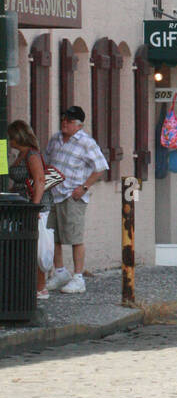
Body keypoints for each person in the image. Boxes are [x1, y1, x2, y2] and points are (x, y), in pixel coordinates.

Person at [44, 106, 109, 296]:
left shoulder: (86, 142)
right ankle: (60, 272)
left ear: (79, 125)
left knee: (75, 237)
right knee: (54, 234)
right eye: (63, 119)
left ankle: (78, 277)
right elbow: (47, 160)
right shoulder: (56, 139)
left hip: (73, 194)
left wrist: (84, 187)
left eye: (69, 121)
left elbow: (100, 167)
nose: (64, 123)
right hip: (54, 192)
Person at [8, 120, 48, 300]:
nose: (8, 140)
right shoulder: (19, 155)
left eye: (10, 137)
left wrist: (35, 207)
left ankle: (40, 287)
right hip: (18, 204)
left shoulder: (31, 154)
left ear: (17, 137)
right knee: (23, 244)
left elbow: (40, 180)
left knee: (36, 246)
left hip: (30, 204)